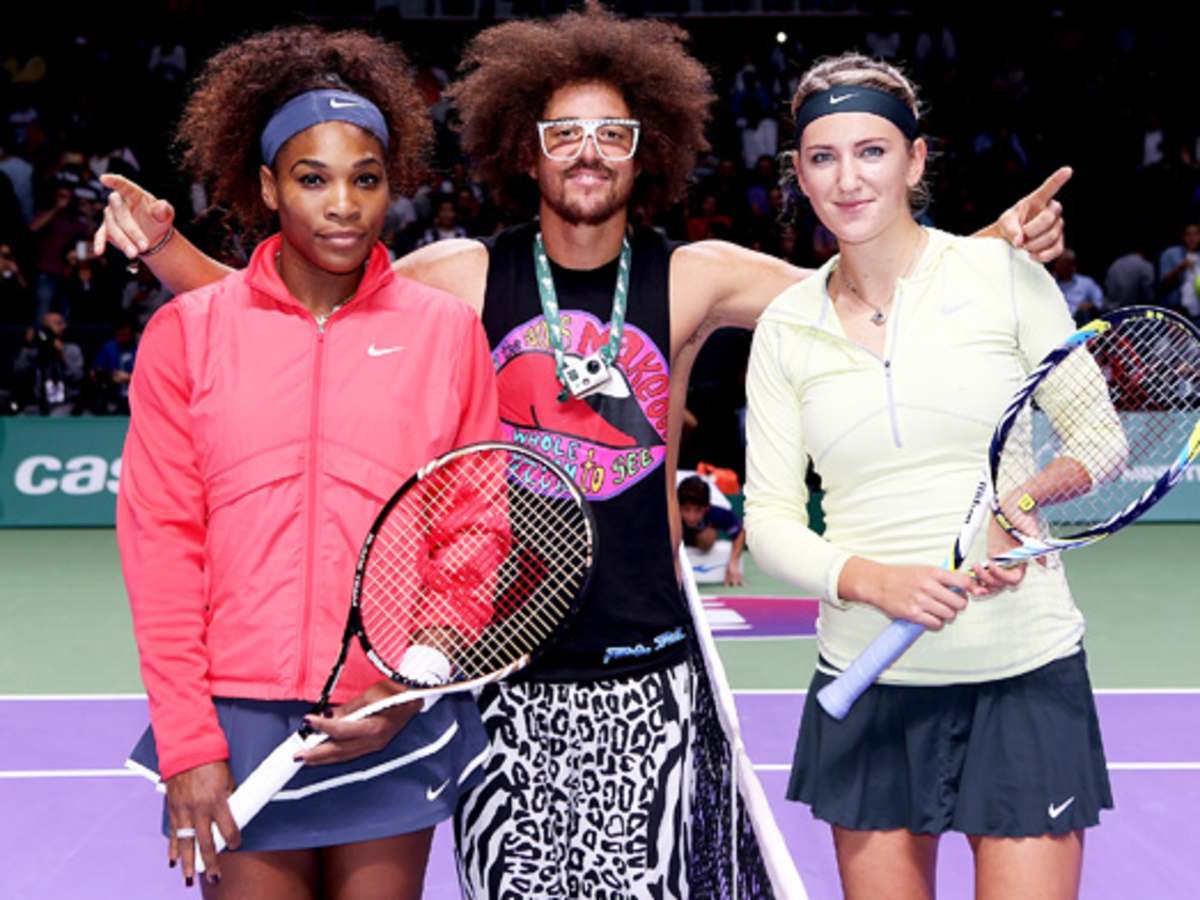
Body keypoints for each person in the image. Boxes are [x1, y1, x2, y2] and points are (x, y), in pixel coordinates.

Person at [95, 7, 1069, 895]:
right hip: (499, 678)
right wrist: (165, 249)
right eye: (564, 134)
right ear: (527, 151)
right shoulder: (462, 275)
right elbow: (293, 304)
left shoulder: (699, 275)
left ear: (648, 150)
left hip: (653, 674)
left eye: (613, 134)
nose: (589, 152)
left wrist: (984, 248)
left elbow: (855, 289)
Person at [116, 26, 499, 898]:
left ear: (391, 185)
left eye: (366, 179)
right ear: (268, 186)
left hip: (387, 713)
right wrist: (188, 742)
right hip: (236, 726)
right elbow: (161, 550)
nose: (343, 205)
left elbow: (473, 533)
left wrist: (410, 685)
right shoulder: (187, 335)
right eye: (312, 178)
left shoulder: (445, 333)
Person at [744, 53, 1110, 900]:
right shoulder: (786, 328)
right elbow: (768, 521)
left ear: (914, 160)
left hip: (1023, 673)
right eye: (824, 157)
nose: (848, 179)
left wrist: (1018, 504)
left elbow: (1098, 441)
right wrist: (876, 582)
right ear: (799, 173)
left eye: (872, 151)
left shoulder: (1005, 277)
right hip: (869, 680)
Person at [677, 473, 746, 586]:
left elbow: (739, 533)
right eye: (686, 509)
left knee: (706, 538)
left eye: (698, 510)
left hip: (700, 537)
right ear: (677, 506)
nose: (691, 517)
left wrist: (734, 562)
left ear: (707, 508)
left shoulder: (718, 512)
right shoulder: (667, 511)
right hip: (676, 534)